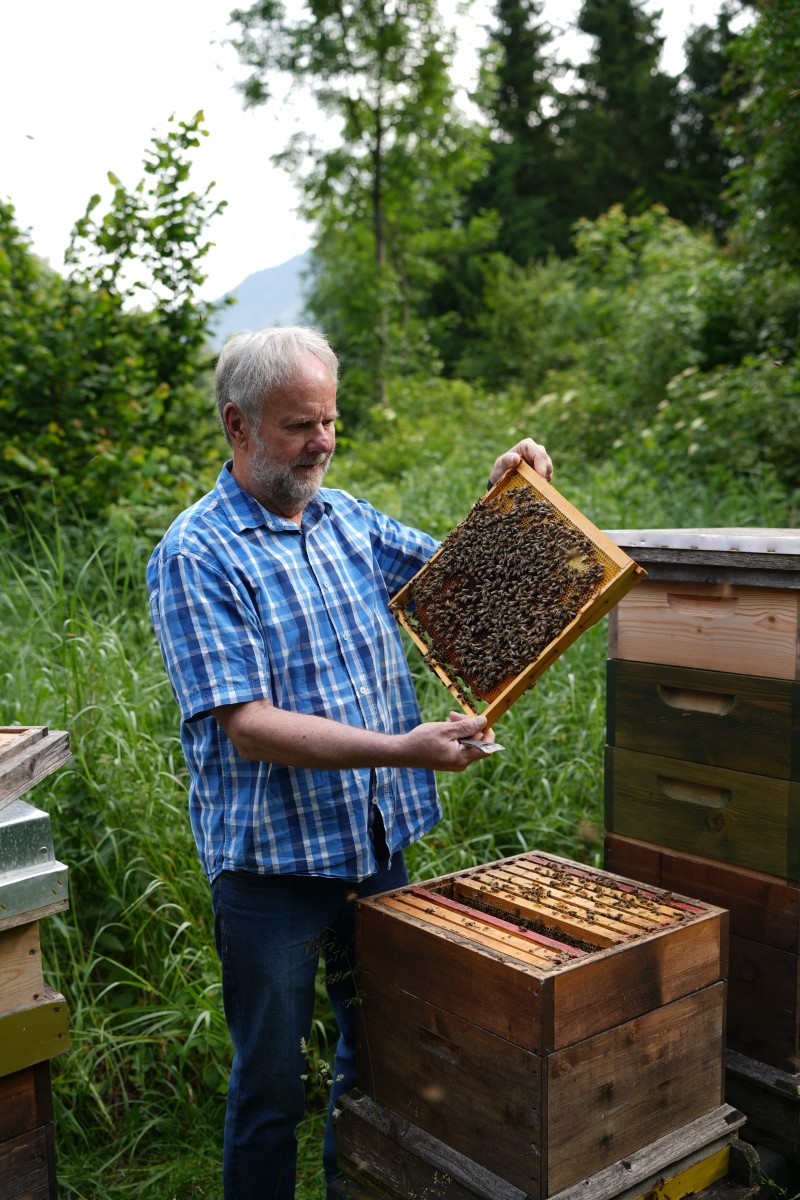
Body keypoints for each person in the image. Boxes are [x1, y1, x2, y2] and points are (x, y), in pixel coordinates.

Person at [146, 326, 553, 1200]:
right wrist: (405, 749)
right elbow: (248, 726)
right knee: (271, 1087)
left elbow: (465, 581)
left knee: (378, 1059)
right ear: (238, 426)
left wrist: (505, 497)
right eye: (300, 425)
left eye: (330, 419)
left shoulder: (347, 520)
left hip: (376, 845)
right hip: (274, 870)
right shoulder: (196, 555)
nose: (322, 441)